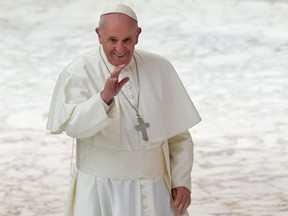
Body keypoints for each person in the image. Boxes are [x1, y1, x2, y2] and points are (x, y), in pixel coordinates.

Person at [46, 3, 201, 216]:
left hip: (155, 190)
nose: (120, 49)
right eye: (112, 40)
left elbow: (178, 135)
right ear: (99, 35)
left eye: (127, 40)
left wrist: (182, 180)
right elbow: (73, 128)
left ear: (137, 35)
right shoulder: (77, 72)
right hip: (100, 192)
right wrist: (103, 99)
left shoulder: (160, 67)